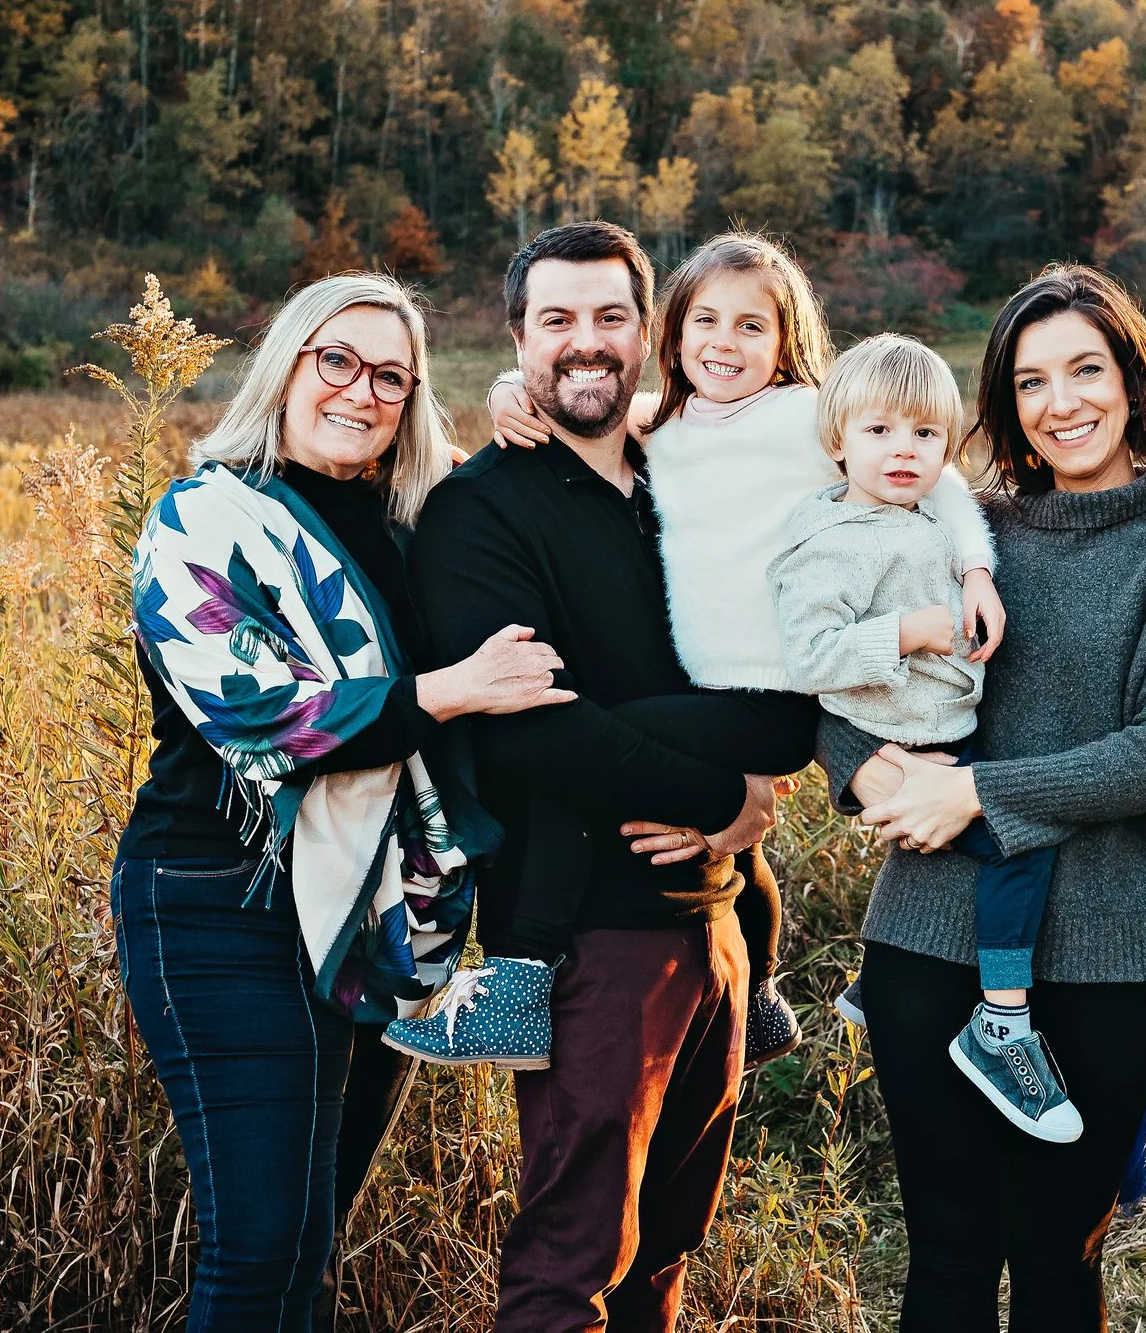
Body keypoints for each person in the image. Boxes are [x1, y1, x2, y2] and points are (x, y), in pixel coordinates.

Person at [413, 233, 1002, 1070]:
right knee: (652, 770)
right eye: (707, 322)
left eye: (752, 327)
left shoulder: (808, 419)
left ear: (787, 341)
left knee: (598, 733)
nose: (726, 343)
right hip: (719, 701)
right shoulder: (669, 427)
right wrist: (516, 389)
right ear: (675, 337)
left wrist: (975, 567)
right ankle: (760, 996)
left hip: (782, 688)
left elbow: (926, 466)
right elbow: (602, 394)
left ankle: (518, 976)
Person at [116, 271, 572, 1332]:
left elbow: (574, 480)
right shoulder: (203, 516)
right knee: (260, 1249)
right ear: (284, 365)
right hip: (217, 898)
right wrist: (450, 691)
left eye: (392, 378)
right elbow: (258, 717)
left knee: (311, 1246)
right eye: (338, 361)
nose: (361, 392)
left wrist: (519, 393)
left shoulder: (423, 522)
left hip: (379, 911)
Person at [819, 264, 1146, 1332]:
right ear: (1005, 404)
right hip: (930, 933)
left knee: (1060, 1254)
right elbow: (817, 660)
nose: (1062, 403)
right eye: (1030, 381)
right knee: (949, 1253)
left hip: (1111, 947)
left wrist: (973, 792)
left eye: (1085, 370)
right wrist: (857, 760)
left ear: (1134, 379)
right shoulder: (949, 530)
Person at [409, 222, 786, 1333]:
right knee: (573, 1255)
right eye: (557, 320)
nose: (586, 343)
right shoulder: (480, 510)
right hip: (592, 938)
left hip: (720, 924)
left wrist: (750, 786)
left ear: (649, 333)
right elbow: (528, 735)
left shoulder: (691, 481)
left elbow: (779, 675)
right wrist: (720, 794)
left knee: (665, 1251)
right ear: (517, 339)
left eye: (610, 316)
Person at [769, 333, 1079, 1143]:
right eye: (879, 433)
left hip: (944, 727)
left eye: (925, 435)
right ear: (838, 440)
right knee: (1017, 842)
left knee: (953, 848)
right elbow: (808, 655)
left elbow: (958, 507)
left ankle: (878, 986)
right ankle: (1003, 1020)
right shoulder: (835, 541)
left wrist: (977, 573)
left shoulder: (919, 504)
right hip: (902, 734)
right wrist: (907, 630)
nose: (904, 452)